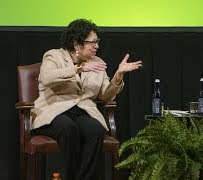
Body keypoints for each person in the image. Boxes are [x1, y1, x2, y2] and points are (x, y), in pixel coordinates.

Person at [30, 19, 142, 180]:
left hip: (82, 111)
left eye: (98, 42)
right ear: (76, 44)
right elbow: (47, 78)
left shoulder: (98, 63)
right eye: (93, 42)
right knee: (68, 128)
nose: (97, 46)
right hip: (54, 111)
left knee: (95, 130)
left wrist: (118, 75)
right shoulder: (54, 56)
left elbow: (105, 95)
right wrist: (78, 68)